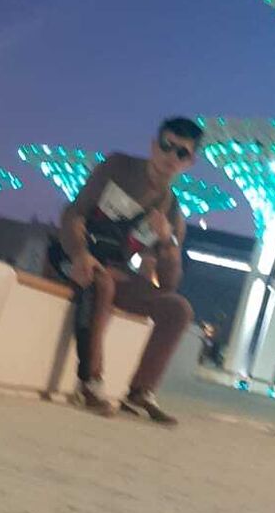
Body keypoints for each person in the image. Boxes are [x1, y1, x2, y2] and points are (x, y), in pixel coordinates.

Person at [58, 117, 202, 425]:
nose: (171, 156)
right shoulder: (118, 168)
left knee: (178, 308)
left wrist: (167, 242)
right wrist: (80, 253)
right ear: (153, 145)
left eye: (181, 153)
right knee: (102, 283)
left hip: (117, 271)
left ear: (189, 163)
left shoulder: (172, 212)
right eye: (166, 146)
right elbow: (74, 213)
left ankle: (141, 392)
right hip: (74, 257)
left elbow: (169, 283)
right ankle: (90, 383)